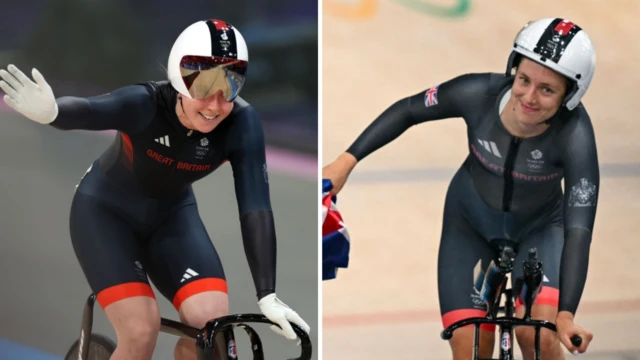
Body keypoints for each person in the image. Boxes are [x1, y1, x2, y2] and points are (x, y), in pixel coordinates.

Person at [0, 19, 310, 360]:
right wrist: (54, 112)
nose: (215, 104)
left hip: (172, 217)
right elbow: (91, 111)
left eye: (231, 84)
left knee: (212, 330)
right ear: (179, 78)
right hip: (105, 216)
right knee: (140, 331)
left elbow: (255, 207)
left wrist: (267, 293)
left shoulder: (242, 123)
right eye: (205, 85)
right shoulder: (145, 103)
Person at [323, 17, 597, 359]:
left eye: (547, 89)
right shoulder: (475, 93)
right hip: (470, 224)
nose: (528, 97)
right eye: (524, 80)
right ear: (513, 68)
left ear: (571, 95)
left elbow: (579, 229)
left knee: (539, 339)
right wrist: (345, 161)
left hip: (540, 231)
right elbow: (409, 110)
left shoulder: (576, 137)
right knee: (472, 348)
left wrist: (567, 314)